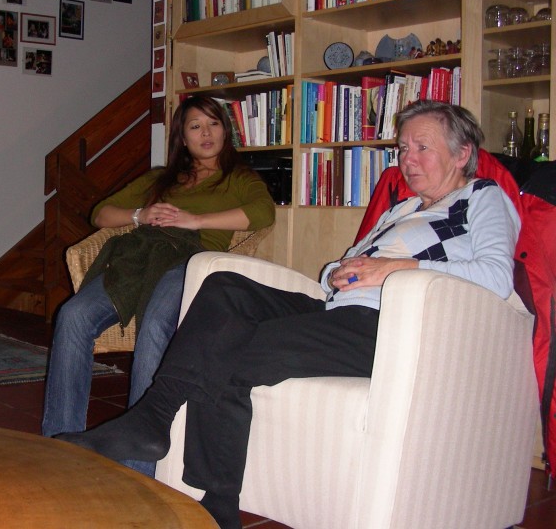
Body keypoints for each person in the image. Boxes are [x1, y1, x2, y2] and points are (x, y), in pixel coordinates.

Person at [57, 100, 521, 528]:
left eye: (422, 147)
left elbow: (497, 276)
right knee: (224, 288)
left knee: (225, 350)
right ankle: (155, 426)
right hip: (338, 309)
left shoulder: (482, 197)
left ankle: (204, 486)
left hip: (388, 325)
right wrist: (338, 272)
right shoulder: (403, 208)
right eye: (402, 148)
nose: (408, 159)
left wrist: (392, 269)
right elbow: (341, 269)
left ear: (462, 154)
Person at [42, 96, 276, 475]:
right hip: (141, 259)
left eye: (213, 124)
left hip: (191, 261)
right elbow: (100, 213)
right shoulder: (160, 178)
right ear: (182, 137)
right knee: (73, 315)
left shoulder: (240, 179)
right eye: (195, 126)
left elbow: (263, 213)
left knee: (155, 323)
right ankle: (60, 441)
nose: (205, 133)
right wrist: (141, 214)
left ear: (225, 131)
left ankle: (138, 464)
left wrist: (194, 221)